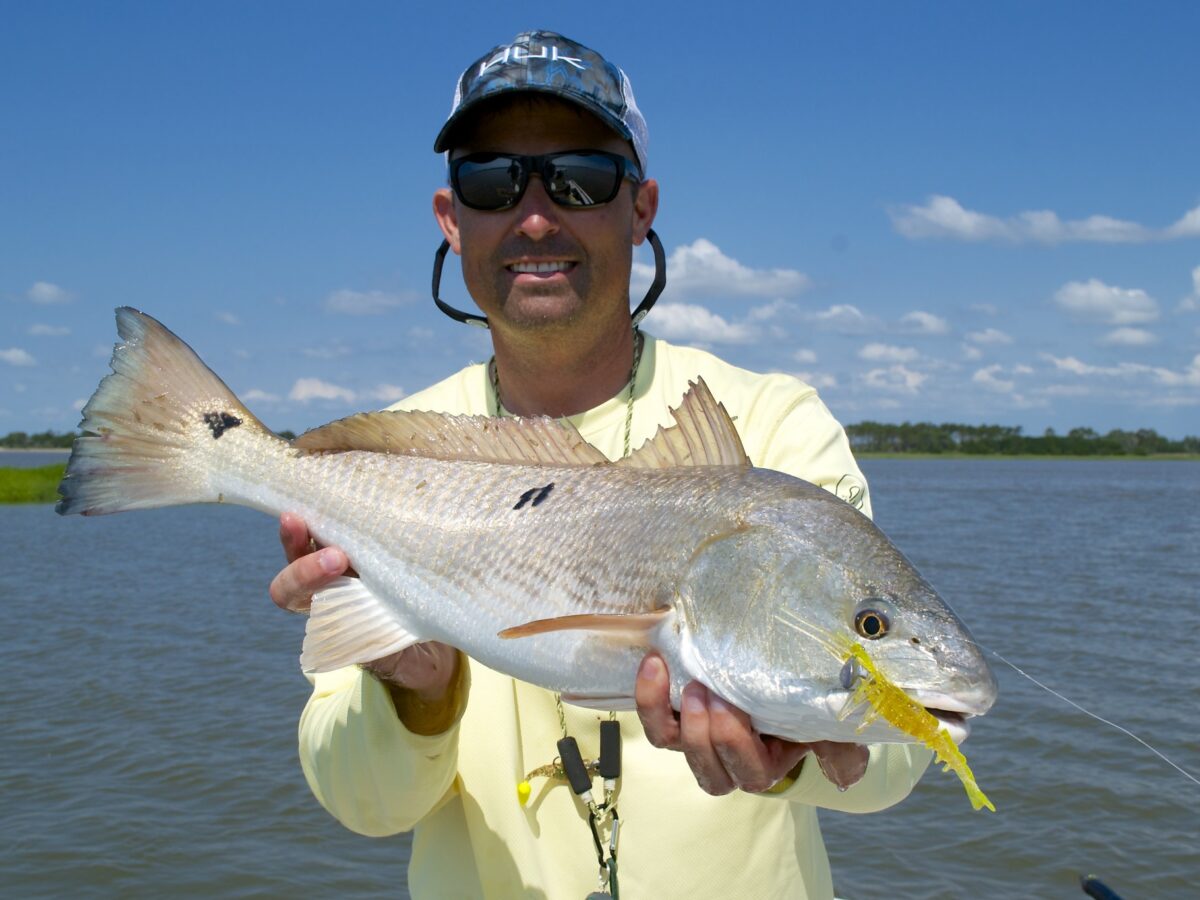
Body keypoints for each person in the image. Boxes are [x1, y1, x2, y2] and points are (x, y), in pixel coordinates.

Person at [269, 30, 931, 898]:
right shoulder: (394, 458)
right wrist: (413, 693)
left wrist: (798, 752)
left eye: (581, 177)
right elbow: (362, 804)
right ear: (449, 215)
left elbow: (903, 752)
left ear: (642, 206)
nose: (536, 215)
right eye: (491, 180)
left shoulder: (773, 430)